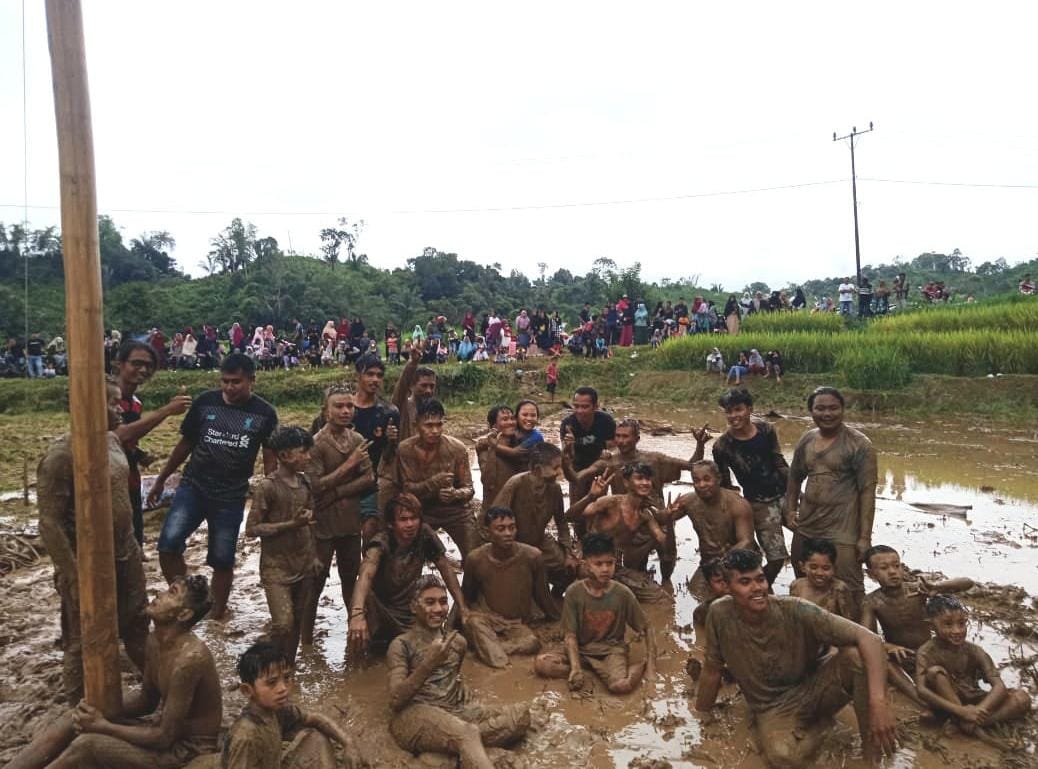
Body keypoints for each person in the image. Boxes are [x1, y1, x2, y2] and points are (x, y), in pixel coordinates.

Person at [694, 549, 897, 769]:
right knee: (784, 757)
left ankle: (871, 757)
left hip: (813, 687)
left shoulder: (795, 609)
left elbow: (870, 639)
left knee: (855, 656)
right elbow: (712, 669)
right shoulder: (719, 614)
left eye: (760, 579)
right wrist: (701, 716)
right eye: (745, 582)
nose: (757, 588)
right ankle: (823, 726)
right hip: (772, 706)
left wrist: (878, 704)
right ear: (727, 587)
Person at [6, 576, 221, 769]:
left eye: (171, 593)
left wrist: (103, 725)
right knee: (74, 718)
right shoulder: (154, 641)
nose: (159, 594)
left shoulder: (189, 661)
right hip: (165, 735)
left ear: (183, 614)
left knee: (87, 745)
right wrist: (96, 707)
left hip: (185, 751)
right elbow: (147, 700)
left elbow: (163, 737)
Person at [36, 378, 149, 704]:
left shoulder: (111, 440)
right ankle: (80, 709)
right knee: (84, 635)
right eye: (112, 403)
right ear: (87, 407)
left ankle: (154, 691)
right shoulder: (62, 455)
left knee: (138, 621)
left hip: (125, 549)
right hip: (85, 560)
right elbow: (49, 523)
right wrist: (73, 575)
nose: (120, 409)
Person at [149, 353, 279, 620]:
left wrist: (271, 497)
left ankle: (217, 614)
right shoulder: (205, 403)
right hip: (193, 486)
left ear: (251, 380)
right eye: (225, 381)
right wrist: (161, 479)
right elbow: (185, 444)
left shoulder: (265, 413)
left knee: (222, 558)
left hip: (231, 494)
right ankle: (189, 597)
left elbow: (270, 459)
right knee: (168, 544)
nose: (229, 388)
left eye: (236, 382)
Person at [387, 575, 530, 769]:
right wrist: (429, 664)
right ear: (414, 607)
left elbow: (450, 677)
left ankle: (451, 750)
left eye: (443, 602)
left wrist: (461, 687)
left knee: (520, 716)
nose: (438, 609)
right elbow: (395, 701)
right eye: (429, 602)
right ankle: (464, 745)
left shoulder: (458, 642)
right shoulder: (401, 645)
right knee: (467, 733)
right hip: (413, 716)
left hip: (454, 712)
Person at [786, 386, 877, 619]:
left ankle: (857, 632)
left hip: (843, 528)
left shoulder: (859, 444)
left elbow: (868, 492)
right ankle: (809, 628)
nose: (827, 414)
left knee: (850, 586)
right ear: (811, 411)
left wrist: (864, 537)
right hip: (807, 524)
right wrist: (790, 509)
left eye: (833, 408)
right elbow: (794, 477)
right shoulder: (807, 439)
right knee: (803, 578)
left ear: (843, 409)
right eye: (820, 408)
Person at [571, 417, 693, 581]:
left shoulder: (654, 459)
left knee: (667, 553)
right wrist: (567, 458)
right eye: (618, 436)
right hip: (631, 518)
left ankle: (666, 582)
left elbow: (691, 465)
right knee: (633, 567)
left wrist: (699, 446)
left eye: (625, 436)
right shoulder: (610, 463)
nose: (621, 441)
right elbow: (577, 478)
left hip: (655, 516)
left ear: (637, 439)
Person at [535, 533, 656, 693]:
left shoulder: (623, 593)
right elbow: (570, 635)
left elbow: (647, 627)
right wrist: (575, 668)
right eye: (598, 564)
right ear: (586, 565)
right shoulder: (574, 592)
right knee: (542, 663)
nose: (605, 569)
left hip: (611, 651)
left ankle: (639, 666)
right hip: (581, 650)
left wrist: (651, 666)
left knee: (621, 686)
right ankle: (591, 674)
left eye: (609, 563)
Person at [347, 493, 468, 654]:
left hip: (410, 611)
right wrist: (357, 614)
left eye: (414, 518)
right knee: (364, 603)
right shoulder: (381, 543)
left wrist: (463, 608)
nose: (410, 524)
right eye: (403, 519)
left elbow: (445, 568)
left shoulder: (424, 535)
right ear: (391, 524)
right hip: (382, 611)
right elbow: (365, 575)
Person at [222, 640, 368, 769]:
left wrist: (348, 744)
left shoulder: (277, 710)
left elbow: (315, 719)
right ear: (247, 691)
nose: (283, 688)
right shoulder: (246, 736)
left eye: (286, 678)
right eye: (272, 682)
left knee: (315, 737)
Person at [304, 385, 375, 645]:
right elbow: (315, 485)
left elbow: (369, 478)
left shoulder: (356, 440)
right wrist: (349, 465)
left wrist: (337, 492)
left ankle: (355, 635)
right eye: (339, 406)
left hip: (349, 521)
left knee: (350, 579)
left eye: (349, 406)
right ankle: (305, 640)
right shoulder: (316, 443)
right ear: (326, 411)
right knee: (315, 582)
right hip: (322, 524)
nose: (345, 411)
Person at [244, 426, 321, 665]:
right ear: (285, 456)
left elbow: (310, 522)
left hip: (303, 564)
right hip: (276, 568)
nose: (308, 457)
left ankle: (287, 667)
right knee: (283, 624)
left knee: (296, 622)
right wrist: (291, 524)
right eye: (303, 452)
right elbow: (252, 529)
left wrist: (314, 556)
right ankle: (259, 660)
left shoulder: (305, 483)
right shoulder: (268, 487)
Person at [861, 545, 975, 704]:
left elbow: (968, 583)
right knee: (884, 661)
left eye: (896, 565)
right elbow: (866, 636)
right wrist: (888, 647)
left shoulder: (917, 589)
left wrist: (937, 587)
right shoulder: (871, 602)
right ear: (872, 574)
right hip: (903, 656)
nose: (892, 571)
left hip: (930, 651)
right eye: (884, 568)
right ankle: (917, 697)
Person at [915, 595, 1032, 738]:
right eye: (948, 624)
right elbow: (921, 690)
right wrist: (961, 711)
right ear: (931, 626)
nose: (957, 630)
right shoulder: (926, 652)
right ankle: (960, 717)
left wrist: (978, 710)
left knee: (1022, 698)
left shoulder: (975, 651)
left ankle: (971, 723)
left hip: (974, 701)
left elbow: (999, 686)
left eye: (961, 624)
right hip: (947, 704)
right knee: (935, 673)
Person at [113, 340, 193, 545]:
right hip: (107, 479)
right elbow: (118, 436)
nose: (143, 370)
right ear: (120, 364)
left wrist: (138, 453)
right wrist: (166, 411)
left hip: (129, 474)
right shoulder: (106, 398)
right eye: (136, 363)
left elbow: (127, 438)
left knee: (134, 533)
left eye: (148, 365)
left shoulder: (135, 403)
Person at [708, 388, 790, 587]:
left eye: (738, 409)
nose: (733, 416)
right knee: (776, 558)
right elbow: (726, 485)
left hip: (785, 493)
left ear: (750, 409)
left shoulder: (766, 430)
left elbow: (779, 462)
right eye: (729, 411)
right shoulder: (722, 446)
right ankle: (760, 590)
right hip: (758, 503)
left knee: (808, 541)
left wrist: (798, 493)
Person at [379, 398, 478, 559]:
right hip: (421, 509)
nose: (435, 431)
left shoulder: (457, 449)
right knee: (403, 555)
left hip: (455, 511)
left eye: (439, 425)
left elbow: (469, 489)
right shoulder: (405, 449)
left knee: (475, 555)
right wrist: (433, 483)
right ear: (416, 425)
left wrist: (455, 494)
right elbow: (406, 490)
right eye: (429, 425)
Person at [462, 507, 559, 668]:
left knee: (531, 643)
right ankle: (500, 661)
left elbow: (543, 596)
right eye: (501, 529)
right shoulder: (475, 559)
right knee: (473, 623)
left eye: (512, 527)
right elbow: (468, 597)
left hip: (516, 624)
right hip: (487, 620)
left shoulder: (533, 556)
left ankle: (490, 651)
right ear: (487, 533)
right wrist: (476, 615)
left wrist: (557, 620)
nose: (508, 533)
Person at [567, 463, 669, 603]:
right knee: (603, 592)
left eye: (648, 479)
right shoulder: (610, 503)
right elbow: (570, 516)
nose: (645, 483)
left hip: (614, 567)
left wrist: (669, 519)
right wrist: (590, 496)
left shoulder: (645, 514)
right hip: (590, 561)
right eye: (640, 478)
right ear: (626, 482)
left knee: (660, 596)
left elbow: (662, 540)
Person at [492, 442, 578, 592]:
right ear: (538, 469)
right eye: (555, 468)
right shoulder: (515, 484)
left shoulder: (555, 489)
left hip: (540, 541)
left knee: (569, 569)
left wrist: (568, 553)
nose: (559, 472)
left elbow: (562, 523)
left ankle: (555, 597)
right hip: (513, 544)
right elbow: (495, 520)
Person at [667, 460, 755, 599]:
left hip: (738, 562)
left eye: (707, 479)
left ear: (718, 479)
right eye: (696, 481)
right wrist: (667, 514)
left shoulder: (738, 504)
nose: (701, 485)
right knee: (696, 593)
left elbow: (746, 541)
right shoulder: (689, 501)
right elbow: (662, 518)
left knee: (741, 598)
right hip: (708, 563)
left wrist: (724, 562)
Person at [560, 386, 616, 530]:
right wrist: (569, 445)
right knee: (577, 510)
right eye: (576, 406)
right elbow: (567, 457)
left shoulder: (606, 421)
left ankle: (597, 534)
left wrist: (607, 452)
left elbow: (614, 446)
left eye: (585, 407)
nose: (579, 411)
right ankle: (579, 536)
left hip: (599, 467)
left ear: (595, 407)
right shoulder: (568, 424)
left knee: (598, 507)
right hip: (578, 468)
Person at [474, 405, 525, 514]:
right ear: (494, 426)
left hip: (518, 510)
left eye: (512, 418)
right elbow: (488, 482)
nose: (511, 422)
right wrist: (493, 448)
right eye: (505, 419)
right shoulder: (485, 449)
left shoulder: (521, 444)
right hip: (494, 512)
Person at [788, 537, 853, 619]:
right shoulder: (797, 586)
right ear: (802, 567)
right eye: (813, 567)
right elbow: (792, 616)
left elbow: (850, 622)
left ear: (834, 569)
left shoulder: (839, 589)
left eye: (826, 568)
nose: (820, 573)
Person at [391, 342, 437, 442]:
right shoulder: (404, 407)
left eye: (432, 386)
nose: (428, 390)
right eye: (424, 385)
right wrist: (413, 363)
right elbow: (401, 387)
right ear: (411, 386)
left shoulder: (434, 411)